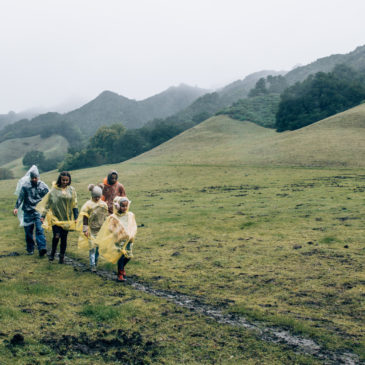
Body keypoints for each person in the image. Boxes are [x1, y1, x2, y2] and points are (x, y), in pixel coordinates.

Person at [39, 171, 78, 263]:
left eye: (66, 180)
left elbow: (74, 204)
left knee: (64, 238)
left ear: (69, 180)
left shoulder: (72, 190)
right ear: (60, 180)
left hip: (66, 218)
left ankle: (62, 256)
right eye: (63, 180)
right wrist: (43, 216)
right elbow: (48, 204)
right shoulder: (54, 190)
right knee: (56, 236)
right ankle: (52, 253)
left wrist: (76, 216)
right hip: (55, 218)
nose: (65, 182)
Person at [95, 196, 137, 282]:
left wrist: (131, 235)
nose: (124, 208)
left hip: (128, 240)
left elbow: (133, 226)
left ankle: (122, 269)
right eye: (122, 206)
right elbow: (110, 228)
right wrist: (118, 232)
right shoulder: (113, 217)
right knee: (121, 256)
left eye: (126, 206)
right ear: (118, 206)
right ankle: (120, 274)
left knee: (128, 256)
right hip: (119, 240)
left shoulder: (130, 215)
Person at [13, 165, 49, 256]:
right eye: (32, 178)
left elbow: (49, 197)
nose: (34, 179)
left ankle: (42, 248)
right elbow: (21, 197)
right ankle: (30, 249)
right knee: (28, 231)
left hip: (38, 211)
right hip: (28, 211)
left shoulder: (43, 186)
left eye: (35, 178)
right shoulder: (25, 186)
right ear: (30, 178)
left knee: (39, 229)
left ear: (38, 177)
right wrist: (16, 207)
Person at [77, 184, 108, 272]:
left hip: (100, 229)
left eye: (99, 197)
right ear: (92, 195)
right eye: (95, 197)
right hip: (91, 230)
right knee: (92, 248)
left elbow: (105, 216)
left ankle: (96, 261)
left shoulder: (103, 205)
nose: (97, 199)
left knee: (98, 247)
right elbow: (85, 217)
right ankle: (92, 265)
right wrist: (85, 229)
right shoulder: (88, 205)